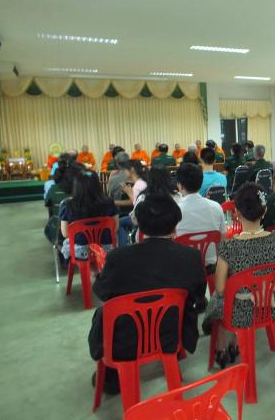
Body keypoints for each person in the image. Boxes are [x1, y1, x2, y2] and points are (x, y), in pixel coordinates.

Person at [88, 194, 207, 395]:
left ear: (140, 227)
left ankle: (111, 374)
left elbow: (102, 292)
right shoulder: (191, 257)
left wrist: (96, 278)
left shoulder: (118, 258)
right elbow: (198, 295)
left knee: (104, 312)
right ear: (175, 225)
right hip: (171, 333)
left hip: (125, 340)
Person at [201, 183, 275, 368]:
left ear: (236, 213)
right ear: (264, 211)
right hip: (270, 306)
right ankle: (233, 343)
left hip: (240, 314)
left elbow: (221, 287)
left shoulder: (229, 246)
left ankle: (222, 347)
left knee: (219, 298)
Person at [59, 171, 119, 262]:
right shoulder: (109, 202)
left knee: (64, 244)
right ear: (97, 185)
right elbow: (116, 227)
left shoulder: (67, 205)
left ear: (76, 186)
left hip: (80, 250)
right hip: (106, 249)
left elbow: (65, 233)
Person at [176, 163, 227, 267]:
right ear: (201, 183)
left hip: (184, 269)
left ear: (180, 186)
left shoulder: (174, 211)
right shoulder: (216, 207)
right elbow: (223, 240)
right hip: (213, 267)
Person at [116, 160, 148, 246]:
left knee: (117, 223)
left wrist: (129, 192)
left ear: (132, 170)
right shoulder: (142, 182)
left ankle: (123, 247)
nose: (124, 172)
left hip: (139, 216)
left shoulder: (138, 186)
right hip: (143, 214)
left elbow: (137, 205)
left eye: (125, 170)